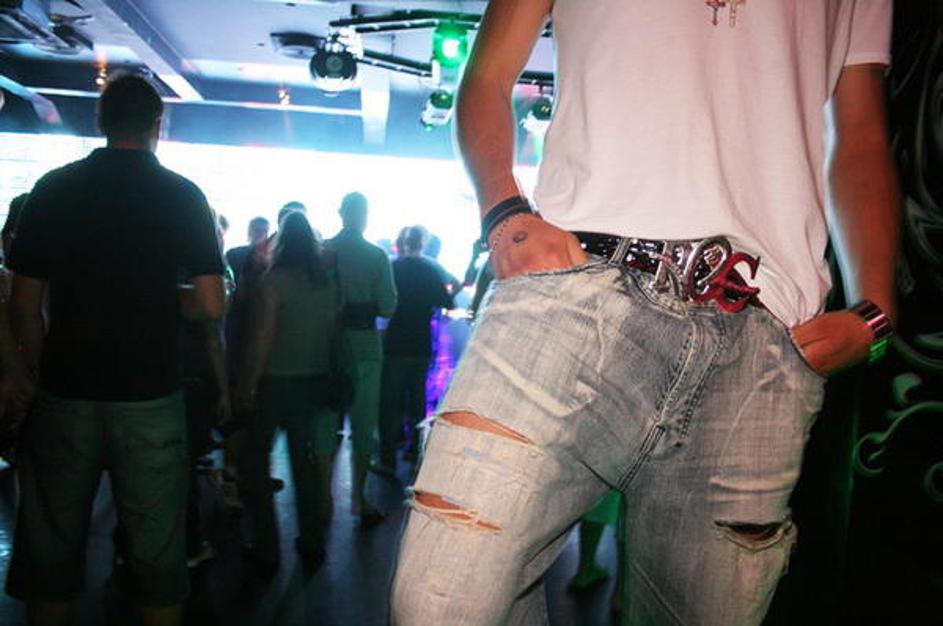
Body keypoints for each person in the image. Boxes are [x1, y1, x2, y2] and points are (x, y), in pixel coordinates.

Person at [391, 2, 899, 624]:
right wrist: (503, 211)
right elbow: (489, 72)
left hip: (762, 340)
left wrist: (878, 313)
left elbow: (860, 133)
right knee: (438, 604)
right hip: (572, 293)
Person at [5, 74, 225, 626]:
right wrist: (161, 296)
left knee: (51, 548)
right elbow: (210, 304)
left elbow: (23, 303)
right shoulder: (183, 195)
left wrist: (37, 367)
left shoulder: (54, 188)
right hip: (150, 392)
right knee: (158, 553)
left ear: (100, 122)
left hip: (65, 389)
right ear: (158, 126)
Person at [236, 211, 338, 572]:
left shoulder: (273, 282)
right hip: (312, 381)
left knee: (255, 463)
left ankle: (267, 548)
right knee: (304, 465)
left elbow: (262, 339)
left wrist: (246, 385)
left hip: (275, 382)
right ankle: (312, 542)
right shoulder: (324, 283)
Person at [327, 192, 397, 526]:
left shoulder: (324, 251)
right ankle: (358, 497)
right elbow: (388, 306)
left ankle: (323, 498)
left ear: (340, 213)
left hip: (325, 345)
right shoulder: (375, 256)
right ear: (365, 216)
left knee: (325, 423)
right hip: (365, 346)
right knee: (363, 423)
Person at [376, 226, 453, 473]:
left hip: (396, 342)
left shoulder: (394, 268)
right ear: (423, 243)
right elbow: (448, 301)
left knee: (390, 402)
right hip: (421, 342)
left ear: (403, 243)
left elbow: (381, 301)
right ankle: (414, 451)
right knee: (417, 400)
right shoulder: (429, 270)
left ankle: (387, 459)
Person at [225, 216, 270, 282]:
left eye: (265, 231)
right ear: (249, 231)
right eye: (257, 230)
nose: (261, 234)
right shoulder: (233, 254)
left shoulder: (272, 258)